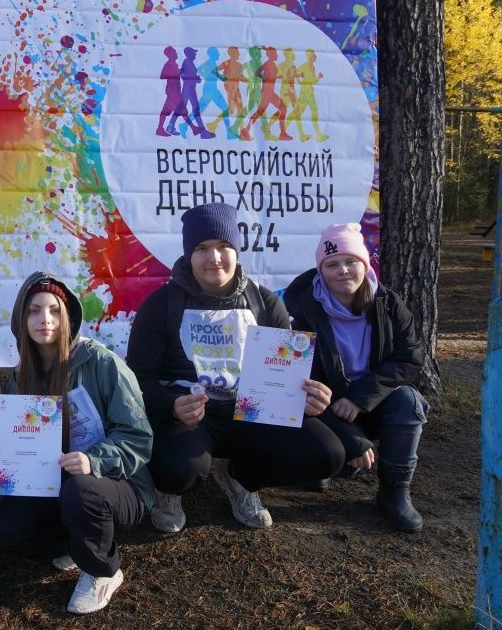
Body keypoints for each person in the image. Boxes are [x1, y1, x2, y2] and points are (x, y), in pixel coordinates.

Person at [125, 202, 344, 532]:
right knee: (178, 469)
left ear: (237, 250)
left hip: (253, 412)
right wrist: (171, 406)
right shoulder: (161, 305)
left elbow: (285, 378)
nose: (214, 257)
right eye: (202, 248)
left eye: (223, 246)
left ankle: (240, 478)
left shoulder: (265, 303)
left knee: (327, 454)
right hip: (189, 419)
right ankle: (168, 492)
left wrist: (304, 401)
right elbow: (138, 380)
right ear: (189, 254)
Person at [0, 273, 154, 615]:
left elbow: (138, 437)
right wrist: (1, 457)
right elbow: (18, 440)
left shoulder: (101, 363)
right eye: (33, 311)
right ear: (21, 321)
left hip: (118, 484)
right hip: (53, 483)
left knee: (81, 491)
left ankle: (102, 569)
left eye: (54, 311)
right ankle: (75, 542)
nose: (44, 319)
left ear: (69, 318)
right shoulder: (20, 376)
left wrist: (93, 461)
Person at [284, 223, 428, 532]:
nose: (343, 271)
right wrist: (353, 440)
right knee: (342, 459)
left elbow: (410, 357)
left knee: (408, 402)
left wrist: (360, 398)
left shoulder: (390, 304)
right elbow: (299, 382)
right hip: (325, 407)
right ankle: (321, 467)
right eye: (332, 264)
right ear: (321, 270)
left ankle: (394, 492)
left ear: (365, 263)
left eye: (351, 261)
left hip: (372, 400)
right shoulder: (303, 312)